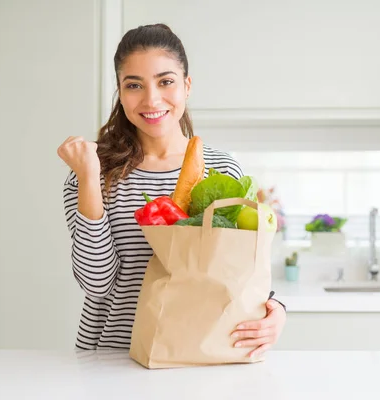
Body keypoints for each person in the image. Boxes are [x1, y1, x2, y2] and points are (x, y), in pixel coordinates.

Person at [57, 24, 286, 358]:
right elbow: (97, 283)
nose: (151, 99)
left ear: (187, 85)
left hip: (201, 352)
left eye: (166, 81)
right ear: (120, 92)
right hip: (112, 359)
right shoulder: (91, 172)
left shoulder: (220, 170)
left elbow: (237, 266)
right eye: (134, 85)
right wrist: (90, 177)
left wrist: (276, 309)